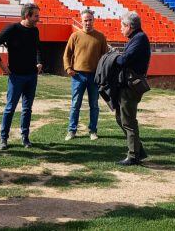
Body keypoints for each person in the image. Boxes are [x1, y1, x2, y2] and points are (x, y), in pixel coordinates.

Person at [0, 3, 43, 150]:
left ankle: (25, 138)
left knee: (27, 108)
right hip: (16, 76)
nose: (38, 18)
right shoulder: (12, 29)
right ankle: (3, 139)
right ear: (27, 15)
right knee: (10, 108)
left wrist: (39, 62)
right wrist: (2, 65)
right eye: (36, 16)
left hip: (32, 76)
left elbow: (38, 47)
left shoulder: (35, 31)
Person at [63, 9, 108, 141]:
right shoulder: (75, 36)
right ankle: (72, 131)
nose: (88, 22)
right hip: (78, 76)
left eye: (90, 20)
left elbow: (105, 57)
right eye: (85, 20)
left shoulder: (100, 37)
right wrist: (68, 68)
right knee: (75, 104)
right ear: (81, 21)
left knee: (94, 105)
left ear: (94, 20)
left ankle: (93, 131)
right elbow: (67, 54)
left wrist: (102, 74)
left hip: (94, 77)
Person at [115, 12, 151, 166]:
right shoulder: (136, 38)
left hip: (131, 86)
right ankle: (138, 150)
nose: (121, 30)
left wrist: (114, 57)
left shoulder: (140, 38)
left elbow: (124, 60)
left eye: (122, 26)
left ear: (129, 26)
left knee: (128, 120)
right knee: (120, 118)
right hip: (127, 85)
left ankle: (133, 155)